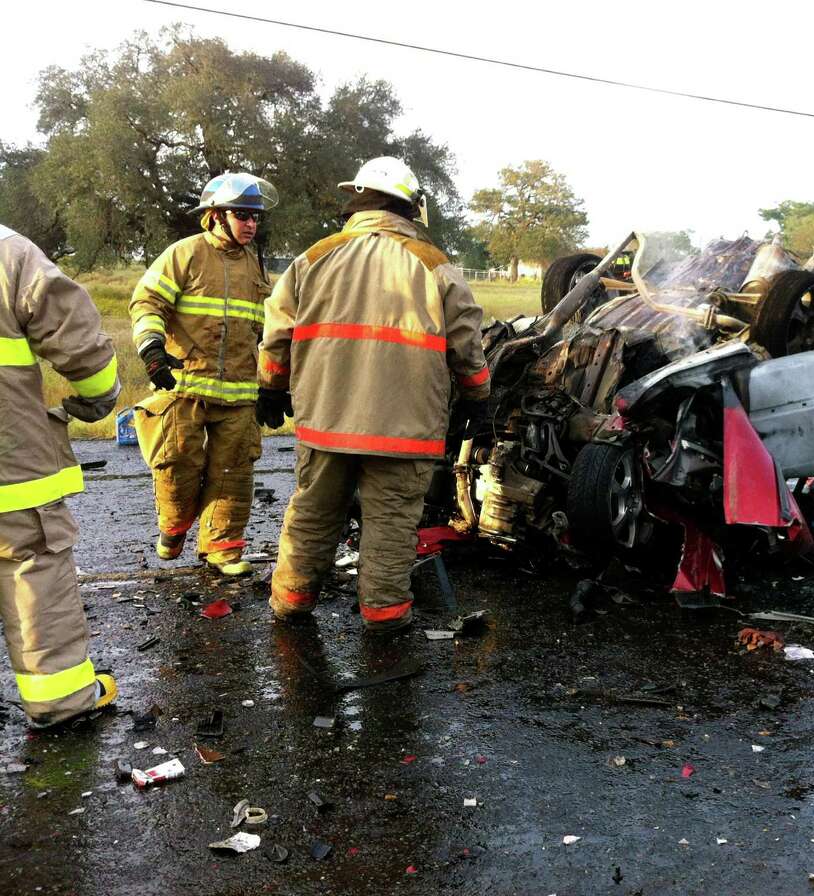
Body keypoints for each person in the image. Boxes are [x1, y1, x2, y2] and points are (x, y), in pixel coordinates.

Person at [258, 156, 490, 631]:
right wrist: (478, 398)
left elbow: (277, 331)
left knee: (312, 512)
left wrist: (271, 388)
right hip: (403, 429)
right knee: (390, 524)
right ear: (410, 207)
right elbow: (467, 344)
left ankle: (290, 602)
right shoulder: (436, 266)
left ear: (358, 201)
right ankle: (384, 618)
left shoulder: (314, 257)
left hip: (326, 422)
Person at [0, 224, 120, 727]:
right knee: (31, 560)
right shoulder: (8, 252)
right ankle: (61, 699)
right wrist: (100, 397)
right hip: (8, 456)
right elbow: (76, 338)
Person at [128, 172, 277, 574]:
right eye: (243, 215)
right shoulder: (185, 253)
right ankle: (174, 527)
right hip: (183, 386)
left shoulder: (255, 264)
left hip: (239, 392)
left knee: (234, 474)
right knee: (177, 468)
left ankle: (223, 551)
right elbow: (147, 302)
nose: (251, 224)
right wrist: (152, 350)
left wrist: (272, 385)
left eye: (256, 217)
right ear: (214, 216)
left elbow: (265, 327)